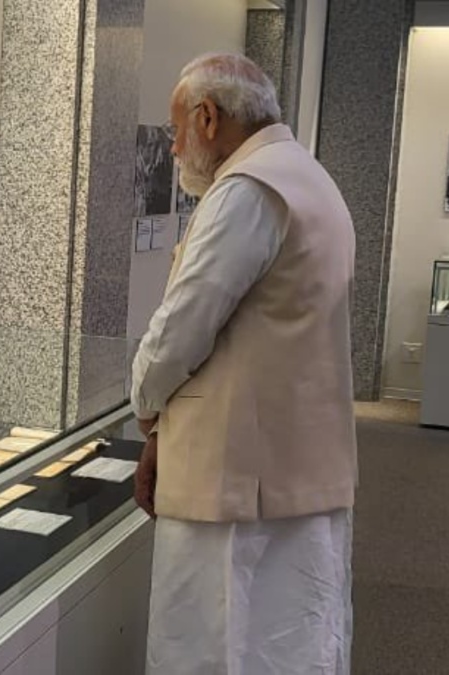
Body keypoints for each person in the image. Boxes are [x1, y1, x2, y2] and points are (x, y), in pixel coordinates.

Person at [133, 52, 356, 675]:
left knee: (219, 640)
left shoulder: (247, 190)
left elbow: (181, 329)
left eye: (177, 130)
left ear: (208, 118)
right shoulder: (308, 176)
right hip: (297, 459)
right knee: (294, 638)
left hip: (235, 478)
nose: (174, 148)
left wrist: (145, 407)